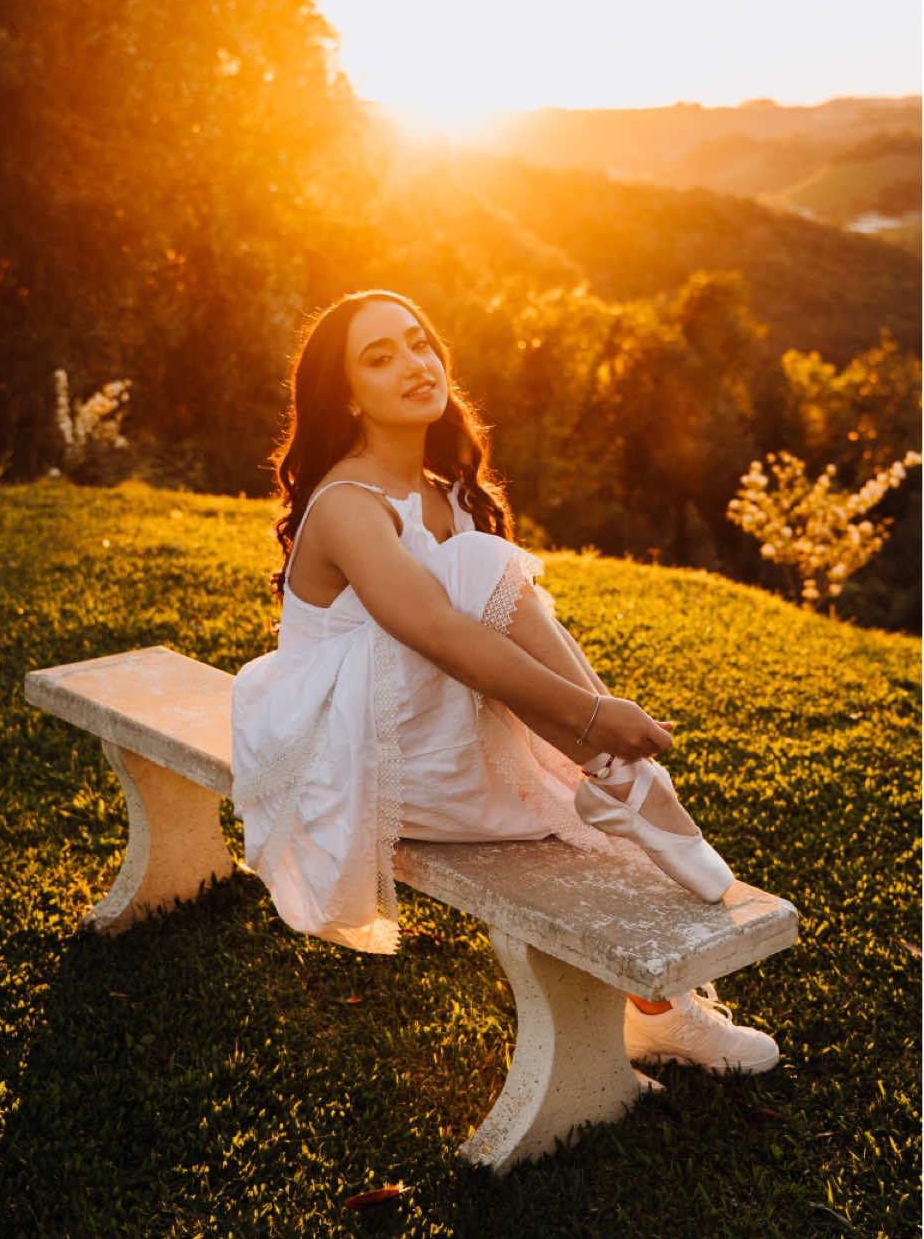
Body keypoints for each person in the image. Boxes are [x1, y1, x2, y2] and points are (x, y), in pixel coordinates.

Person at [231, 290, 779, 1075]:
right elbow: (443, 635)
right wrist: (593, 715)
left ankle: (660, 1006)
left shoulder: (444, 491)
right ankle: (621, 772)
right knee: (480, 569)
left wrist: (583, 721)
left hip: (428, 733)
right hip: (350, 758)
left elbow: (484, 641)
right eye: (380, 358)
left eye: (419, 343)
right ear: (347, 395)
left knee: (574, 811)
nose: (413, 364)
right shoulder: (348, 503)